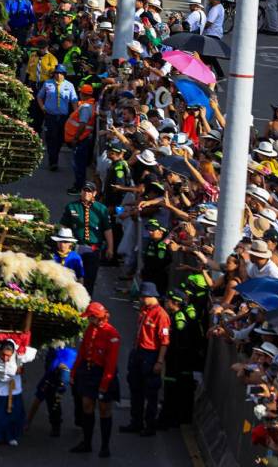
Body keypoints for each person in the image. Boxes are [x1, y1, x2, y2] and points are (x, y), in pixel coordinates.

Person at [70, 302, 121, 456]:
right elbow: (82, 353)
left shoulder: (112, 334)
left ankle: (105, 446)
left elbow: (111, 363)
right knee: (87, 405)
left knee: (104, 409)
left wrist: (104, 385)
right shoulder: (90, 330)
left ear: (96, 317)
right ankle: (87, 442)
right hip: (89, 371)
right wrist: (74, 372)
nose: (89, 321)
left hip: (104, 373)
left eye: (90, 318)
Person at [121, 282, 171, 436]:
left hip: (151, 355)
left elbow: (164, 341)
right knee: (135, 389)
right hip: (138, 352)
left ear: (150, 296)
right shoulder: (144, 310)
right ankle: (135, 422)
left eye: (143, 297)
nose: (141, 299)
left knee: (151, 393)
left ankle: (149, 426)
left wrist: (159, 361)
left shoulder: (161, 315)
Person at [59, 181, 114, 294]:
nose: (86, 193)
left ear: (94, 193)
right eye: (84, 190)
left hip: (93, 248)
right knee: (72, 275)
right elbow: (63, 226)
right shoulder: (72, 207)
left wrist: (110, 248)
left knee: (90, 277)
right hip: (76, 247)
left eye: (89, 191)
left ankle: (87, 301)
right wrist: (63, 243)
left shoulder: (101, 209)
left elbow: (107, 230)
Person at [38, 64, 78, 171]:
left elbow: (74, 101)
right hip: (50, 116)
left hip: (63, 117)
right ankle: (53, 161)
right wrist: (43, 108)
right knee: (51, 138)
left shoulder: (69, 85)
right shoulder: (47, 84)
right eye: (56, 73)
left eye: (60, 73)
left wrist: (76, 115)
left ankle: (55, 157)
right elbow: (39, 97)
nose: (58, 75)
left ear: (64, 74)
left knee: (60, 139)